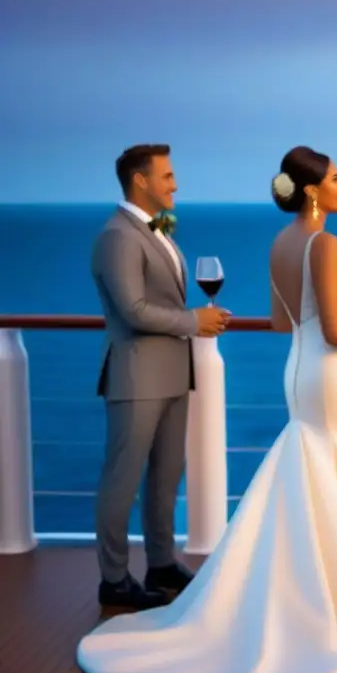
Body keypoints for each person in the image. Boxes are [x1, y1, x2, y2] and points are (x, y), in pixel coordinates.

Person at [77, 146, 337, 673]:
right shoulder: (324, 242)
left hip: (298, 368)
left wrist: (325, 333)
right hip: (330, 372)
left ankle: (309, 588)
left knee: (315, 466)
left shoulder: (279, 243)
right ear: (313, 189)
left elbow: (278, 322)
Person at [90, 144, 230, 611]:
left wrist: (193, 323)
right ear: (140, 181)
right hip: (136, 377)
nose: (175, 184)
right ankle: (113, 579)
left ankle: (161, 562)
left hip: (173, 374)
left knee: (167, 477)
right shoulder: (118, 236)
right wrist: (194, 322)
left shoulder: (154, 230)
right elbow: (132, 310)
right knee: (122, 480)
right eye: (167, 176)